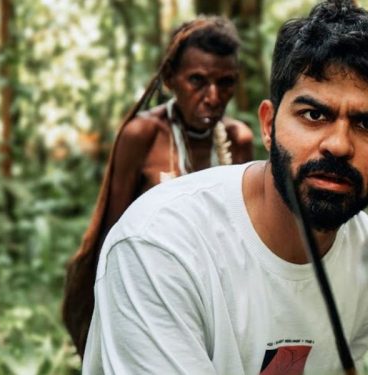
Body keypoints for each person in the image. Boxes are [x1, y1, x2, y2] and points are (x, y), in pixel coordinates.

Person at [81, 1, 368, 373]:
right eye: (314, 115)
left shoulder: (367, 256)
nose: (338, 145)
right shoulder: (159, 246)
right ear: (269, 125)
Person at [62, 16, 254, 356]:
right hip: (149, 293)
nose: (213, 96)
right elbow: (113, 232)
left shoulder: (236, 141)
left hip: (215, 296)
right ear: (169, 80)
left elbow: (242, 235)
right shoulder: (143, 136)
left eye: (226, 83)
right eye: (198, 81)